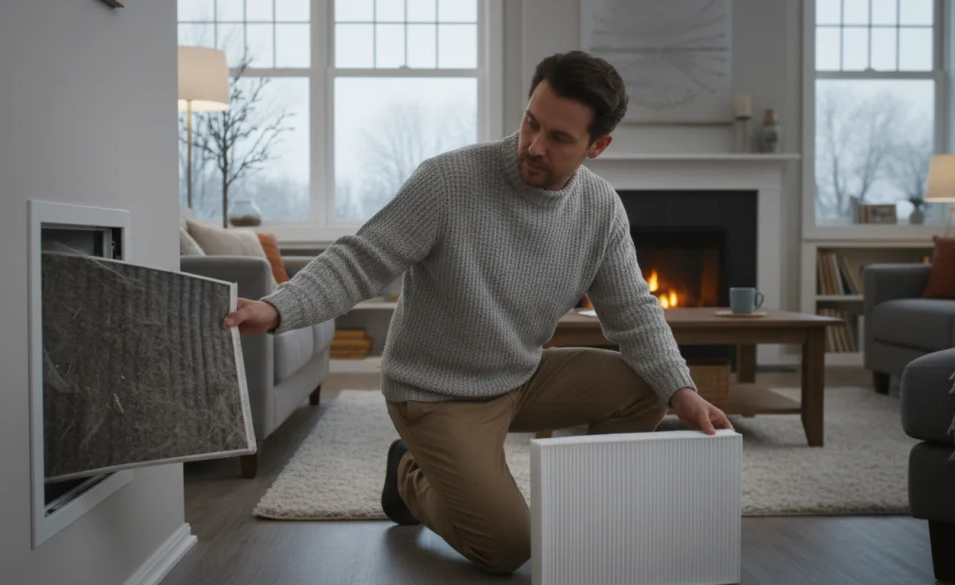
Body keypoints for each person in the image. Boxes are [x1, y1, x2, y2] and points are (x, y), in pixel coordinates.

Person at [223, 50, 734, 574]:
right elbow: (360, 259)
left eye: (558, 138)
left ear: (597, 146)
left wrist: (683, 390)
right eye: (531, 122)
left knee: (650, 387)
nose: (534, 146)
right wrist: (275, 308)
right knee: (511, 546)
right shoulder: (449, 181)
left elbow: (633, 310)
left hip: (521, 376)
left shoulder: (599, 209)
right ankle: (409, 472)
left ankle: (582, 510)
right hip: (435, 391)